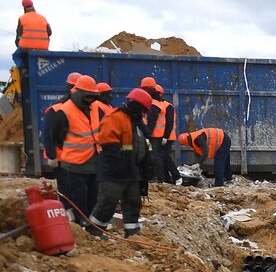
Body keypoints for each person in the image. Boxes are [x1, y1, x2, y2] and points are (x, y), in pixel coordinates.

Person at [88, 88, 154, 237]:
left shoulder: (136, 122)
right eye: (143, 110)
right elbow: (109, 146)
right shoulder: (115, 118)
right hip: (114, 171)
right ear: (137, 106)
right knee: (108, 202)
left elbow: (142, 145)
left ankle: (132, 233)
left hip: (131, 170)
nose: (144, 113)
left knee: (133, 202)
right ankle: (95, 230)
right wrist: (121, 165)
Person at [43, 75, 105, 226]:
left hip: (93, 159)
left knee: (92, 193)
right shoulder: (62, 110)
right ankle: (77, 220)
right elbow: (52, 135)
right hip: (73, 162)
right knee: (75, 194)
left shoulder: (95, 107)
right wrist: (53, 155)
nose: (90, 100)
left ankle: (88, 221)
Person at [142, 77, 178, 184]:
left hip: (162, 136)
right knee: (160, 158)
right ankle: (167, 178)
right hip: (158, 136)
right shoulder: (159, 105)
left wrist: (165, 136)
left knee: (161, 157)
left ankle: (172, 177)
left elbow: (167, 123)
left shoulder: (163, 106)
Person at [13, 0, 50, 67]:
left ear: (24, 8)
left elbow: (18, 35)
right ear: (33, 6)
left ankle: (23, 69)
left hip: (26, 48)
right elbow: (50, 32)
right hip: (43, 48)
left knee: (16, 56)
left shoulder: (22, 18)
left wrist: (18, 44)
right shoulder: (43, 18)